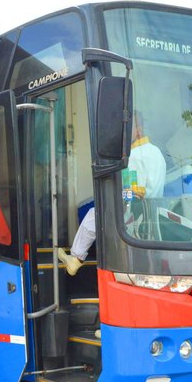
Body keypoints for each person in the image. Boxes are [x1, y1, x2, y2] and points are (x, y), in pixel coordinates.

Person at [58, 111, 166, 275]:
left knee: (92, 217)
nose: (123, 136)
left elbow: (134, 193)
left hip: (133, 215)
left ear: (138, 130)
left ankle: (76, 258)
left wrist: (114, 197)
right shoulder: (157, 153)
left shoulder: (134, 156)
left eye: (127, 130)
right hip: (149, 215)